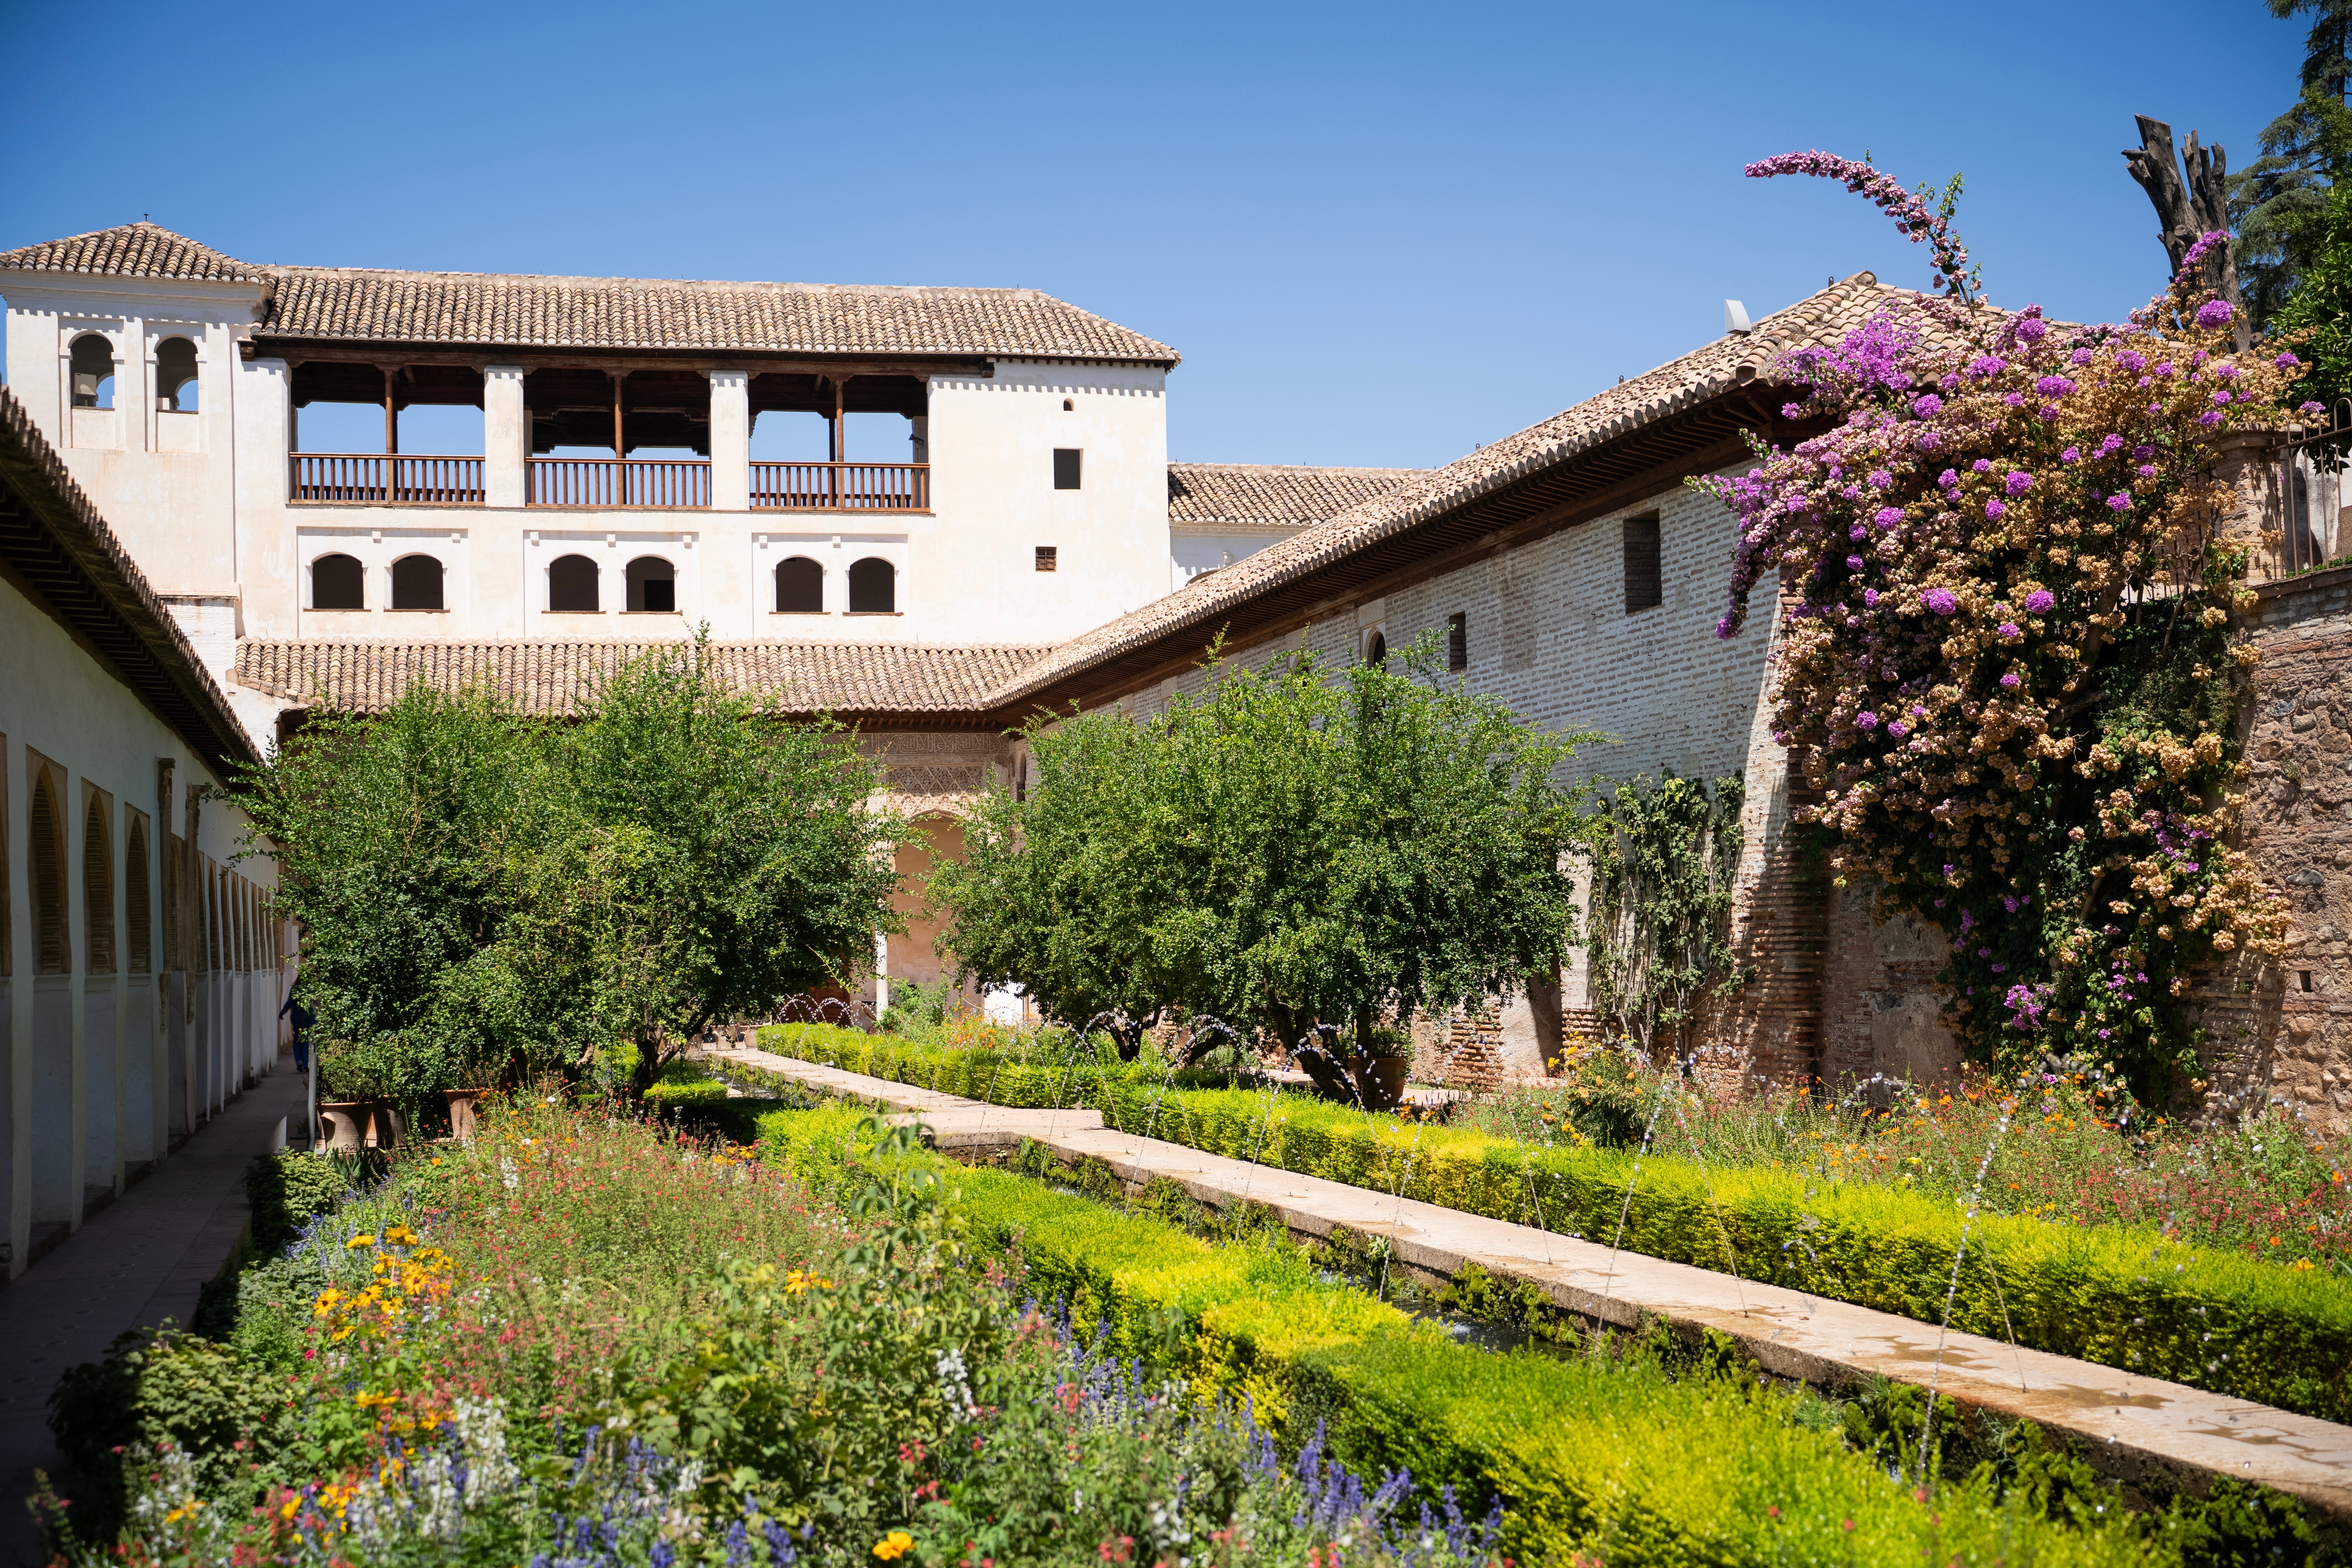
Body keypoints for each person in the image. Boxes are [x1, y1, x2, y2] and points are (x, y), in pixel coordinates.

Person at [279, 991, 316, 1074]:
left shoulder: (295, 990)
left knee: (297, 1041)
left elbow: (289, 1003)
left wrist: (282, 1013)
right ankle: (306, 1064)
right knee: (305, 1042)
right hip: (307, 1020)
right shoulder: (309, 989)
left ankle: (299, 1061)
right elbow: (316, 1002)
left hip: (297, 1020)